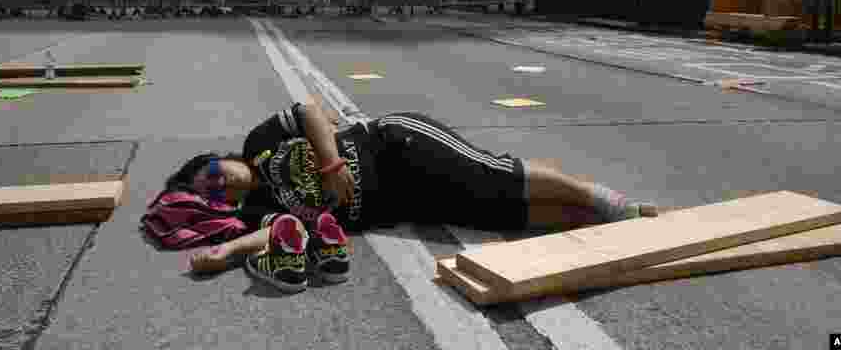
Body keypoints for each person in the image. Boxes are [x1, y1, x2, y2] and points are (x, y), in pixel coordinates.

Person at [164, 101, 657, 293]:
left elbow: (310, 112)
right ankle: (601, 225)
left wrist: (333, 165)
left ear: (218, 158)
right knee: (506, 213)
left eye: (212, 172)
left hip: (397, 147)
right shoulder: (256, 210)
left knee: (496, 175)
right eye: (211, 191)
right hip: (404, 203)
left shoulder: (257, 144)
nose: (220, 182)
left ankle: (612, 203)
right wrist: (226, 252)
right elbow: (274, 234)